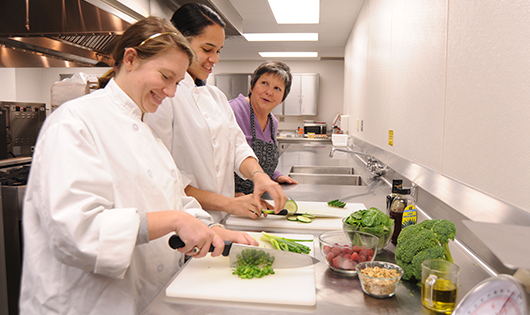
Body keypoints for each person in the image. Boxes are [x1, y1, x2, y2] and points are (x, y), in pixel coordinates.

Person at [19, 16, 256, 315]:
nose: (171, 92)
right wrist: (175, 221)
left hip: (145, 299)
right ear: (130, 59)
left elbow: (173, 198)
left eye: (177, 82)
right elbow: (76, 230)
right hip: (85, 304)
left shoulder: (146, 131)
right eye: (165, 76)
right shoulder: (74, 122)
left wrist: (211, 228)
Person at [146, 3, 287, 222]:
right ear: (180, 42)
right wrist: (230, 203)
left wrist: (258, 175)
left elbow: (237, 146)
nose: (215, 58)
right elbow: (165, 180)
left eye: (218, 51)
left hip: (223, 219)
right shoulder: (163, 98)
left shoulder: (216, 97)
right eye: (207, 49)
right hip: (184, 223)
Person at [229, 61, 299, 195]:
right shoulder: (231, 111)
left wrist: (274, 176)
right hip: (228, 202)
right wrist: (229, 194)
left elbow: (261, 162)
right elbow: (213, 164)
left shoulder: (273, 122)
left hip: (256, 198)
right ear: (252, 86)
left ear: (282, 98)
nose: (269, 92)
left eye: (277, 88)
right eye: (264, 83)